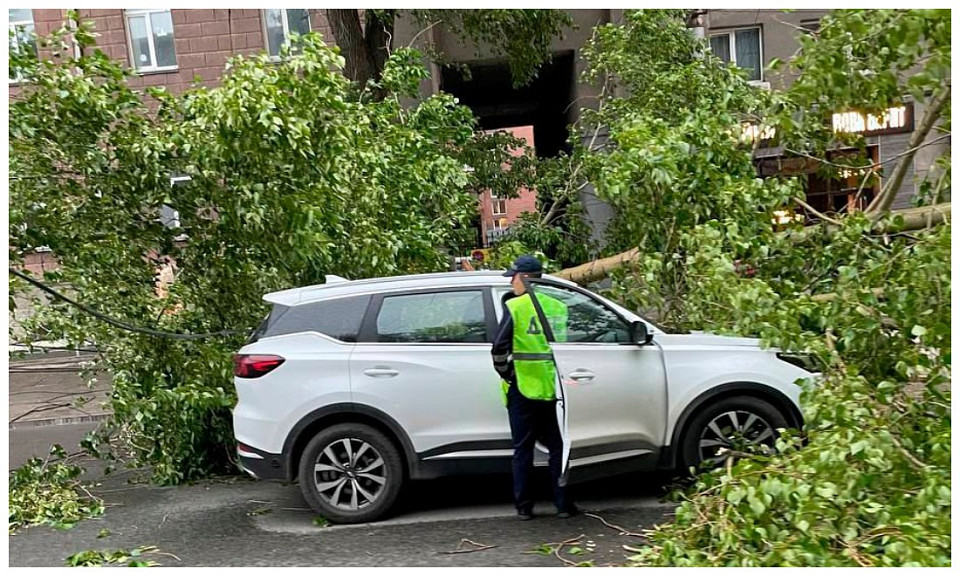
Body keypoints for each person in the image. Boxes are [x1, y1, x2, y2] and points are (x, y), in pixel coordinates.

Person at [491, 255, 576, 520]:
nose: (511, 282)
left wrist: (508, 375)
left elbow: (498, 349)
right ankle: (563, 505)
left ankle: (524, 507)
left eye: (513, 277)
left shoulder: (515, 307)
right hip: (555, 389)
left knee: (523, 450)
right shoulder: (558, 306)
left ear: (525, 278)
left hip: (523, 388)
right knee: (558, 449)